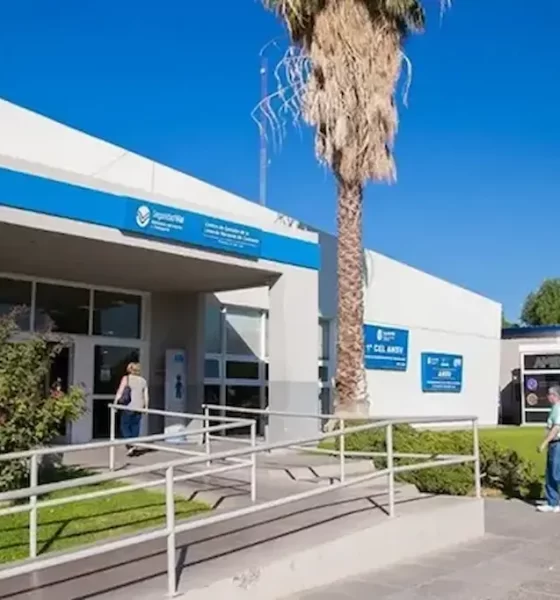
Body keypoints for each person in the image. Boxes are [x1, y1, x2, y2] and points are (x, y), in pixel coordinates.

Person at [116, 362, 149, 457]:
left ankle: (130, 443)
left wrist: (115, 403)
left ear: (129, 369)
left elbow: (120, 391)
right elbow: (146, 395)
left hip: (128, 406)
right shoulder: (143, 381)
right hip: (139, 407)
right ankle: (134, 444)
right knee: (135, 426)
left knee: (124, 426)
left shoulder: (126, 378)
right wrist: (146, 407)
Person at [537, 385, 560, 512]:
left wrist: (544, 443)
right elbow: (549, 427)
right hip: (553, 444)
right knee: (550, 473)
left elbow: (556, 428)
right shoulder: (553, 408)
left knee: (556, 473)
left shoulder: (558, 409)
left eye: (549, 394)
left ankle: (557, 502)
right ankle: (552, 502)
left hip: (557, 444)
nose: (547, 397)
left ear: (555, 396)